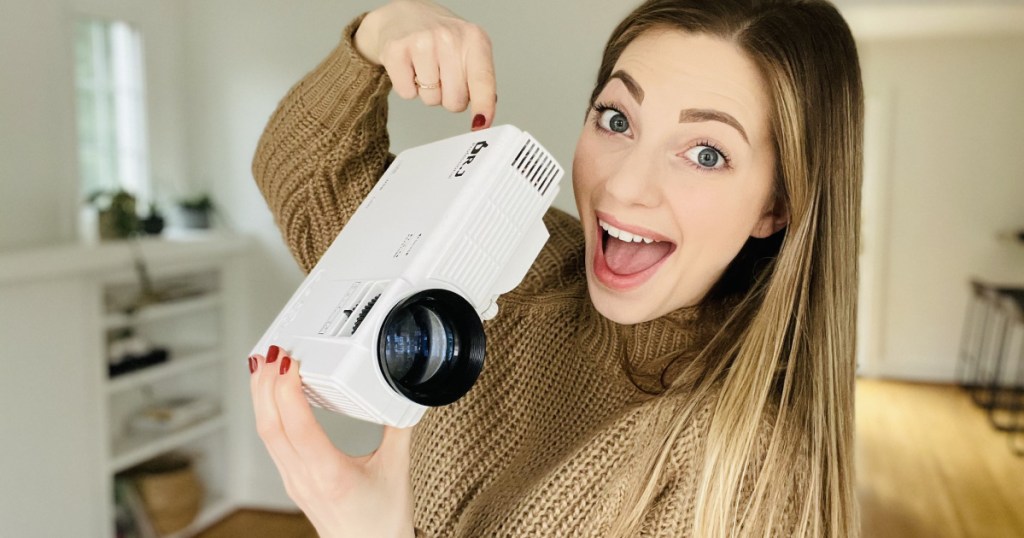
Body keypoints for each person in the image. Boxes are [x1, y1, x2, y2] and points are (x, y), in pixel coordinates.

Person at [247, 0, 863, 536]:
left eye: (705, 153)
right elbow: (307, 180)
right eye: (617, 119)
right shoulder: (520, 267)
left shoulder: (745, 470)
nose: (624, 186)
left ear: (777, 205)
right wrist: (380, 34)